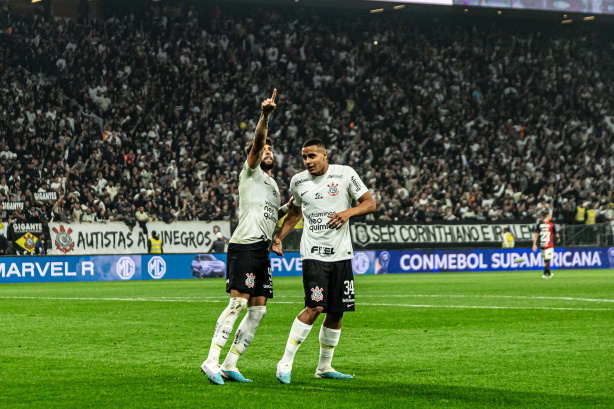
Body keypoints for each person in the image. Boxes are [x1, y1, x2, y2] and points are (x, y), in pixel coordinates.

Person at [201, 89, 293, 385]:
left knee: (258, 310)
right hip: (243, 246)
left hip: (262, 252)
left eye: (270, 150)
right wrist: (265, 115)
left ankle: (230, 363)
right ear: (254, 153)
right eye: (264, 148)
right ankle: (211, 360)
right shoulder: (249, 173)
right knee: (238, 304)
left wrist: (293, 205)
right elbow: (258, 142)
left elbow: (273, 214)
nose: (268, 151)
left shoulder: (274, 186)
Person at [272, 138, 375, 384]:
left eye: (311, 156)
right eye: (304, 157)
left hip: (341, 255)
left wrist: (347, 212)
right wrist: (279, 237)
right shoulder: (298, 181)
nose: (307, 161)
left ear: (324, 155)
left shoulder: (345, 174)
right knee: (315, 306)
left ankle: (324, 367)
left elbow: (370, 203)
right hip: (313, 254)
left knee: (336, 312)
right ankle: (285, 363)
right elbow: (295, 212)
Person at [532, 210, 560, 279]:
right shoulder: (551, 224)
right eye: (550, 215)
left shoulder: (540, 224)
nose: (551, 216)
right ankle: (544, 274)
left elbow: (535, 234)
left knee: (546, 260)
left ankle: (549, 274)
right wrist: (558, 238)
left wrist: (534, 244)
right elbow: (556, 234)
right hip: (549, 244)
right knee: (547, 260)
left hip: (542, 245)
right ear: (547, 215)